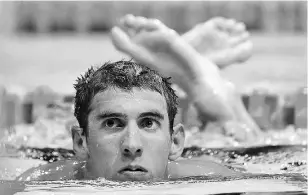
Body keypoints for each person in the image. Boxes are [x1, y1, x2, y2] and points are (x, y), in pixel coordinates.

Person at [16, 15, 261, 181]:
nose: (132, 145)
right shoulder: (36, 180)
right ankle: (192, 77)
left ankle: (204, 83)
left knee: (231, 131)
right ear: (80, 143)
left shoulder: (214, 176)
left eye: (148, 123)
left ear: (175, 142)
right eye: (112, 123)